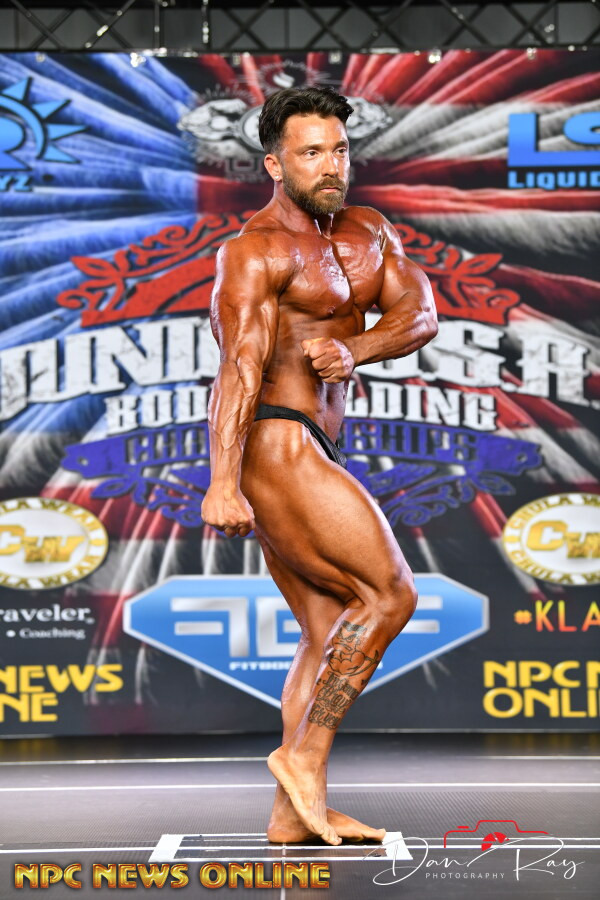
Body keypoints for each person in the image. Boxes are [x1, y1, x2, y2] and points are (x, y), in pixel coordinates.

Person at [201, 86, 438, 847]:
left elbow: (420, 314)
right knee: (391, 594)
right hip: (277, 439)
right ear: (275, 165)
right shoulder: (255, 251)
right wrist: (222, 481)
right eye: (311, 153)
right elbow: (239, 367)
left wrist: (357, 348)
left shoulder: (369, 230)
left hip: (316, 441)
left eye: (339, 149)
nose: (331, 165)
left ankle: (292, 814)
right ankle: (302, 757)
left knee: (328, 628)